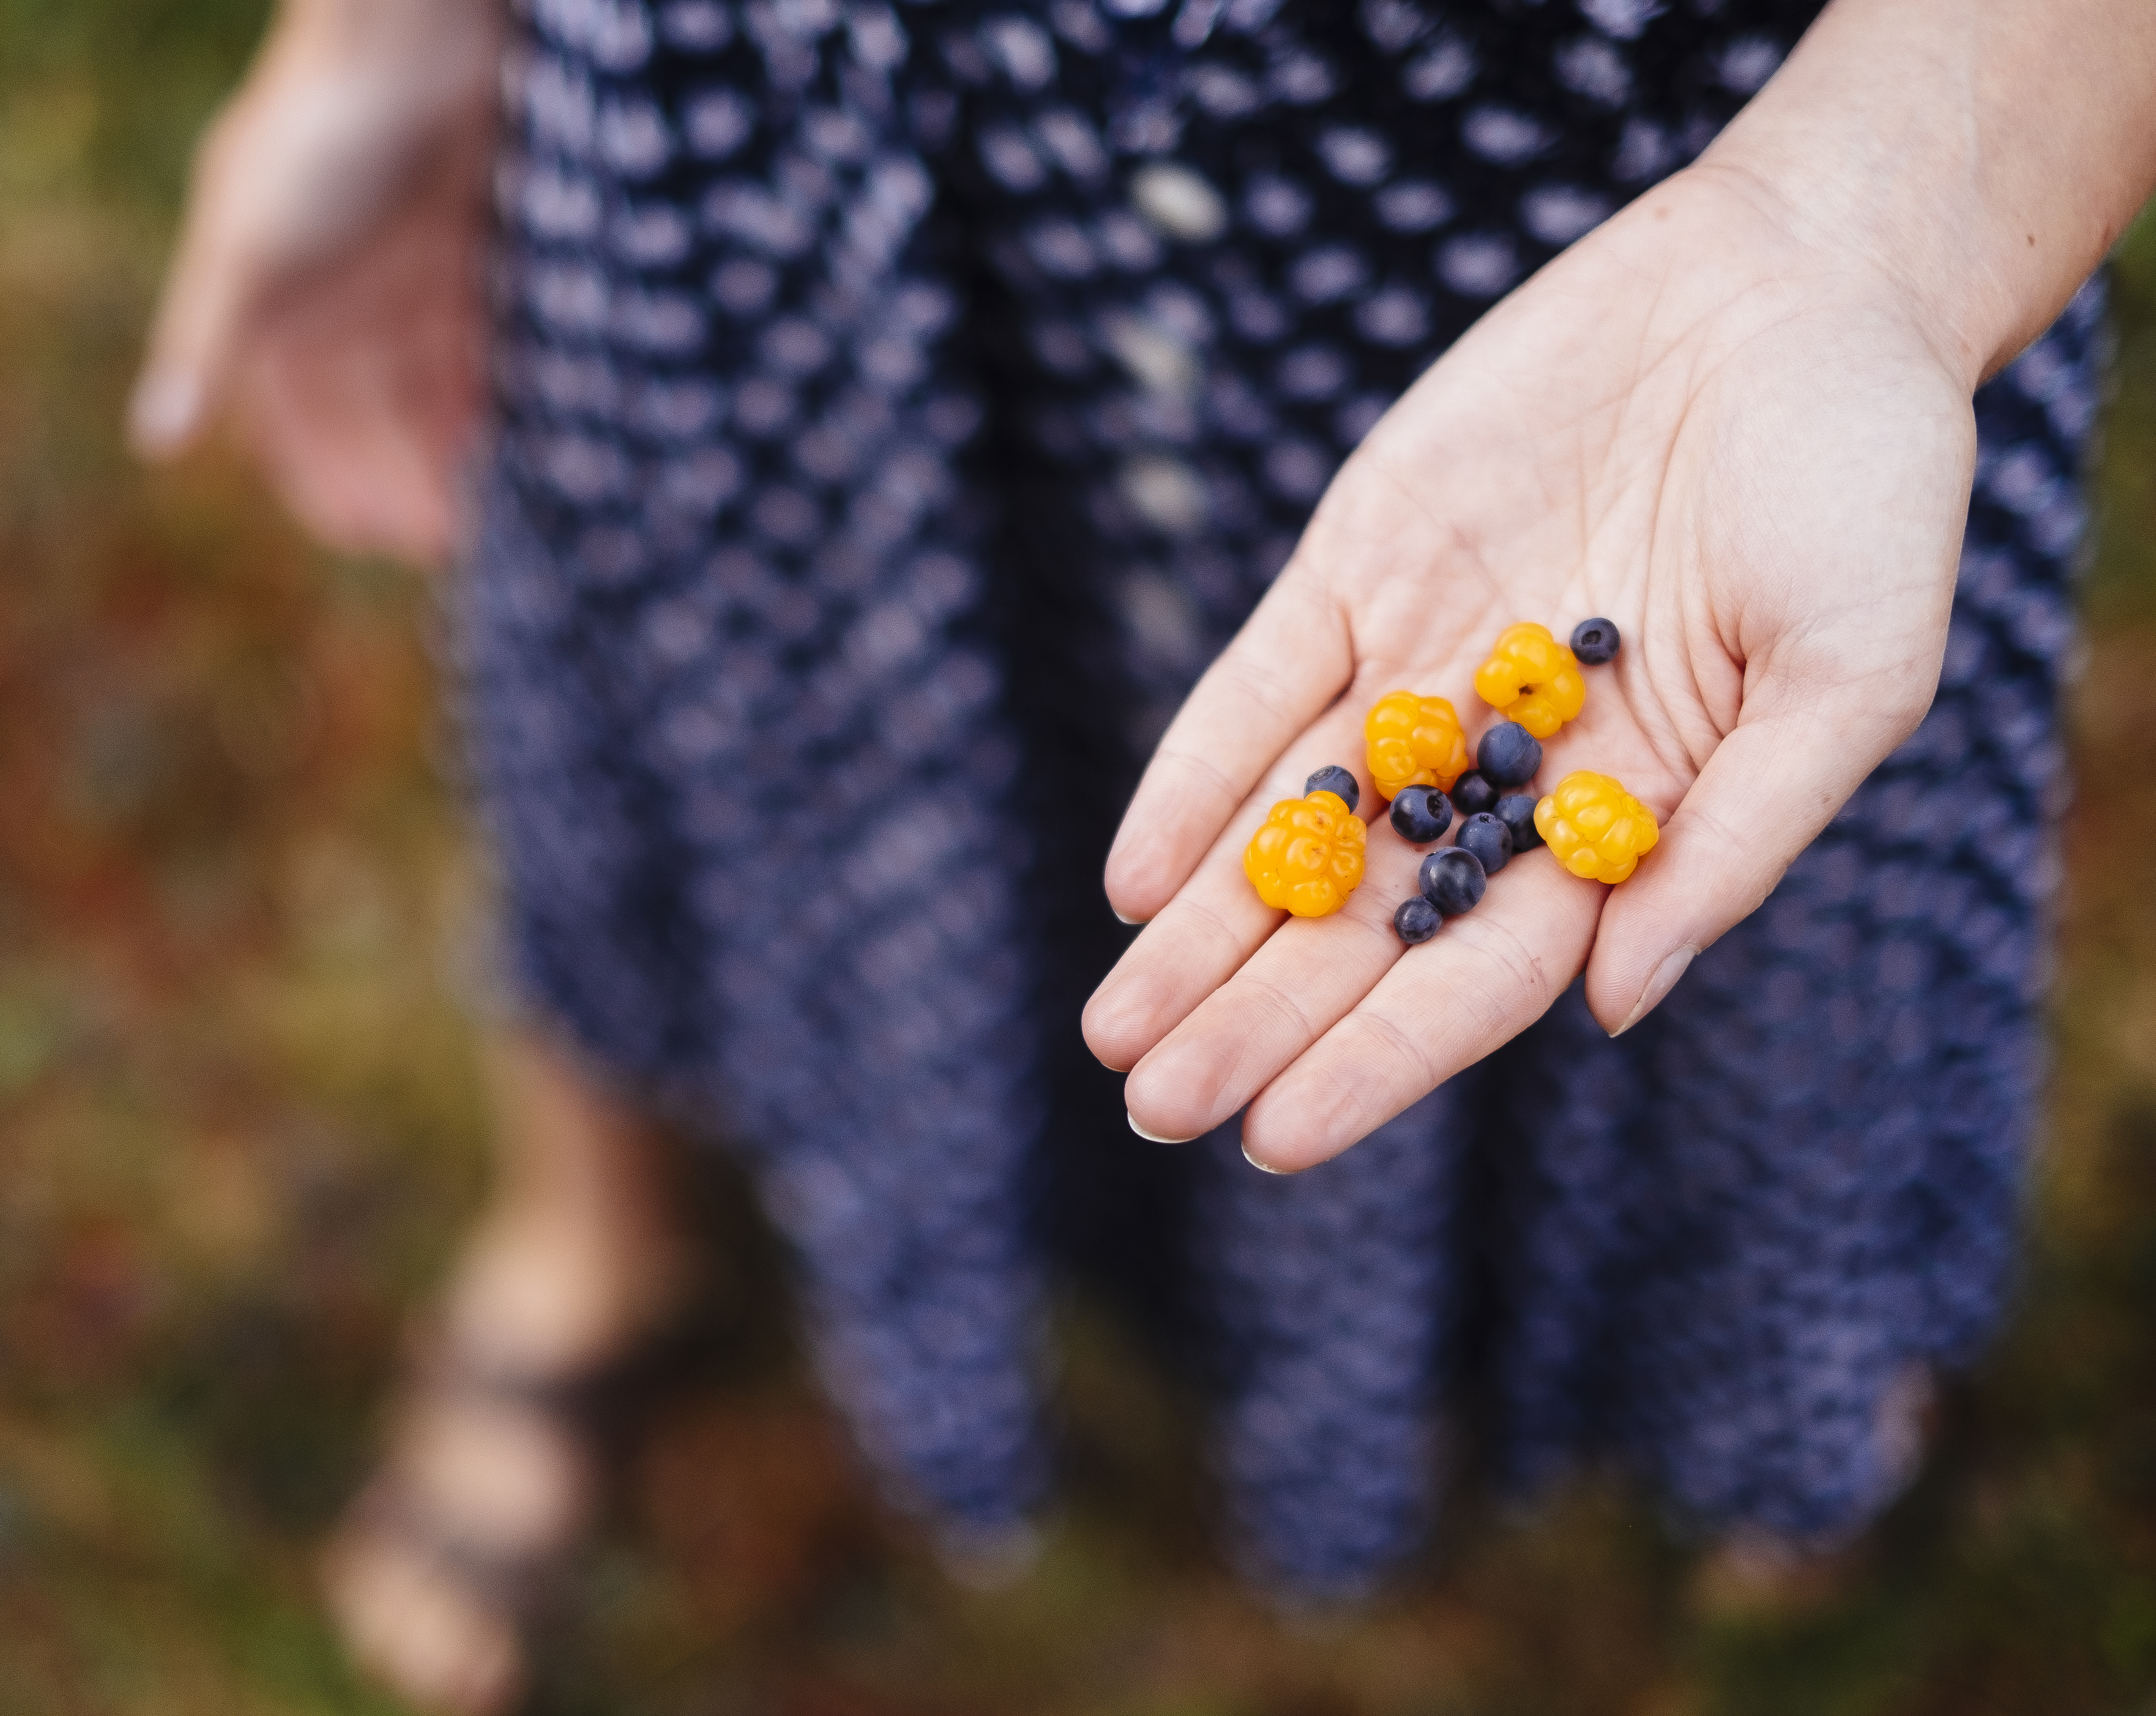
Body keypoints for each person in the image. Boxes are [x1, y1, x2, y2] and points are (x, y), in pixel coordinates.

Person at [134, 0, 2156, 1705]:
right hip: (801, 100)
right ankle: (591, 1226)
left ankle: (1748, 1369)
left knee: (1738, 872)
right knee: (743, 704)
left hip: (1677, 173)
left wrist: (1875, 225)